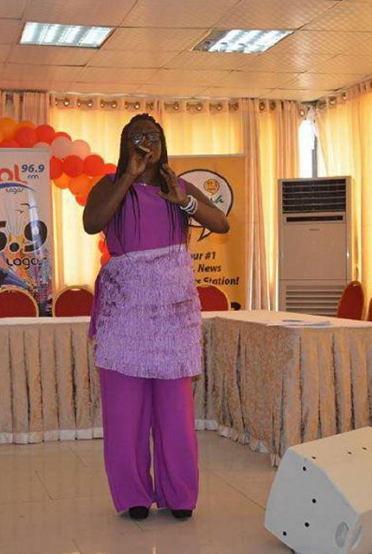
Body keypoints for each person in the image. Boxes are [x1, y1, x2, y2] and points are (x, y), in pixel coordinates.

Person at [83, 114, 229, 521]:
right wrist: (129, 177)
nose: (146, 141)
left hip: (172, 315)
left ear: (163, 143)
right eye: (137, 136)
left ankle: (179, 495)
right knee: (125, 413)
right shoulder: (110, 185)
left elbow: (221, 223)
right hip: (125, 314)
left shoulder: (176, 186)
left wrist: (183, 201)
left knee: (176, 414)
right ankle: (133, 495)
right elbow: (92, 223)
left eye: (153, 135)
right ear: (125, 144)